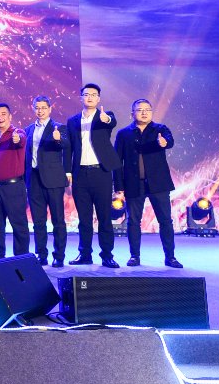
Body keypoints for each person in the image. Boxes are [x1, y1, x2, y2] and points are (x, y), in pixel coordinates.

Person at [114, 100, 183, 268]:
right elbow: (117, 162)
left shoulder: (160, 129)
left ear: (151, 112)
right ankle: (134, 256)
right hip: (133, 183)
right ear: (132, 114)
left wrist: (164, 143)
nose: (144, 113)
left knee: (165, 221)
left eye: (147, 110)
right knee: (133, 221)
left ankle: (170, 257)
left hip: (158, 183)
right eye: (140, 110)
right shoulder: (124, 134)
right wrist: (119, 187)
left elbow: (169, 141)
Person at [66, 83, 122, 268]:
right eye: (86, 94)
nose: (89, 97)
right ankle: (84, 254)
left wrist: (107, 119)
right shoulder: (73, 121)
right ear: (81, 97)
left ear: (98, 98)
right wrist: (68, 171)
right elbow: (69, 148)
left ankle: (107, 255)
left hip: (101, 172)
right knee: (84, 218)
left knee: (104, 217)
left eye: (93, 94)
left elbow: (112, 122)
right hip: (80, 174)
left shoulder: (105, 116)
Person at [24, 96, 70, 268]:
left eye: (44, 107)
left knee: (58, 221)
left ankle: (59, 256)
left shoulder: (59, 127)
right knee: (38, 221)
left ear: (50, 109)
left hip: (53, 180)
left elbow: (66, 144)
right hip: (34, 179)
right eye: (37, 107)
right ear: (33, 108)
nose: (40, 110)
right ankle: (41, 255)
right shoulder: (28, 129)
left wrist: (58, 139)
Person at [0, 103, 30, 260]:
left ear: (10, 117)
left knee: (19, 224)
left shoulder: (17, 133)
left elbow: (21, 140)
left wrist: (17, 139)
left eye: (3, 114)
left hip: (13, 187)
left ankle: (21, 259)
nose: (0, 117)